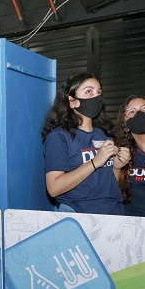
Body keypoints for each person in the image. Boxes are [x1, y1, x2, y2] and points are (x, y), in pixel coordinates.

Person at [42, 73, 129, 215]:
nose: (96, 97)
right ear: (72, 101)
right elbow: (54, 188)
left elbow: (110, 183)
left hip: (112, 212)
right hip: (78, 213)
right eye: (89, 91)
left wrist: (117, 167)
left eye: (98, 92)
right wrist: (94, 162)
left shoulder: (105, 134)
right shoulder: (59, 137)